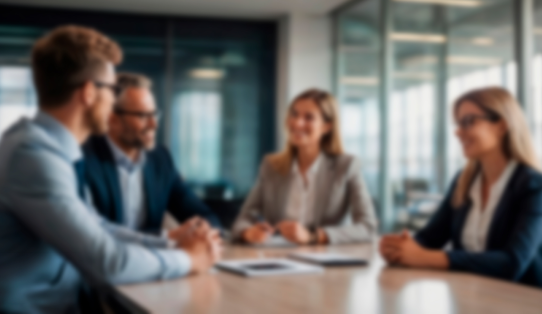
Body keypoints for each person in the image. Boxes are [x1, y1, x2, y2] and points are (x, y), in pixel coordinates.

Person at [0, 25, 221, 314]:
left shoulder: (50, 148)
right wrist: (189, 260)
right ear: (90, 92)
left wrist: (170, 243)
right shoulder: (33, 154)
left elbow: (98, 227)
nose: (113, 101)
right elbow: (108, 263)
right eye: (113, 89)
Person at [380, 87, 542, 289]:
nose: (457, 132)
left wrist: (426, 257)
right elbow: (430, 237)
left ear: (501, 125)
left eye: (468, 121)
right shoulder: (463, 181)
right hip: (470, 297)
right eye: (458, 124)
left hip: (523, 302)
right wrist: (400, 248)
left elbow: (512, 263)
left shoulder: (535, 186)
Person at [232, 89, 378, 245]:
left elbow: (367, 227)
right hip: (276, 257)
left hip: (327, 261)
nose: (297, 123)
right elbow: (244, 218)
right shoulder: (271, 166)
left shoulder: (346, 166)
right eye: (294, 114)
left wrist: (314, 236)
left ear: (327, 126)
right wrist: (248, 232)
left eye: (309, 117)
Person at [83, 72, 220, 234]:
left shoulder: (160, 159)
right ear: (113, 119)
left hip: (154, 258)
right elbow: (93, 234)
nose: (153, 124)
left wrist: (203, 231)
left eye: (154, 114)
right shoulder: (85, 158)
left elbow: (204, 215)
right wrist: (166, 237)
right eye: (142, 116)